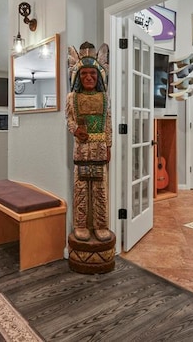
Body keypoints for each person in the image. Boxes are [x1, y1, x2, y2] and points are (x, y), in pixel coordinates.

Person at [66, 42, 112, 242]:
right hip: (81, 150)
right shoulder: (72, 98)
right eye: (84, 74)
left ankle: (101, 225)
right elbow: (68, 119)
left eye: (92, 74)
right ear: (77, 76)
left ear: (99, 75)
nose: (89, 78)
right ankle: (81, 225)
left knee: (100, 189)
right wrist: (76, 129)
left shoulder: (104, 97)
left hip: (100, 149)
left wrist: (109, 145)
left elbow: (108, 123)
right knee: (81, 188)